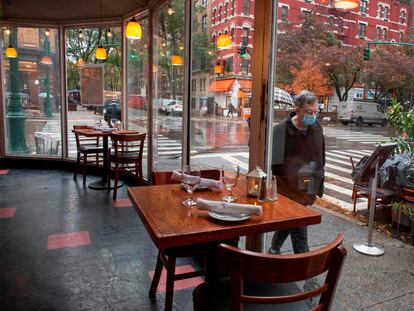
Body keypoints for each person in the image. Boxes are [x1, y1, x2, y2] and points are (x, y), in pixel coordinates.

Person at [269, 90, 325, 255]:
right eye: (309, 112)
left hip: (310, 183)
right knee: (299, 225)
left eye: (316, 112)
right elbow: (276, 166)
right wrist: (292, 182)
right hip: (289, 188)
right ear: (297, 109)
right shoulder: (280, 130)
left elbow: (321, 154)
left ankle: (273, 249)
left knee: (292, 221)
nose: (313, 115)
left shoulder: (316, 127)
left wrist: (319, 175)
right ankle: (304, 262)